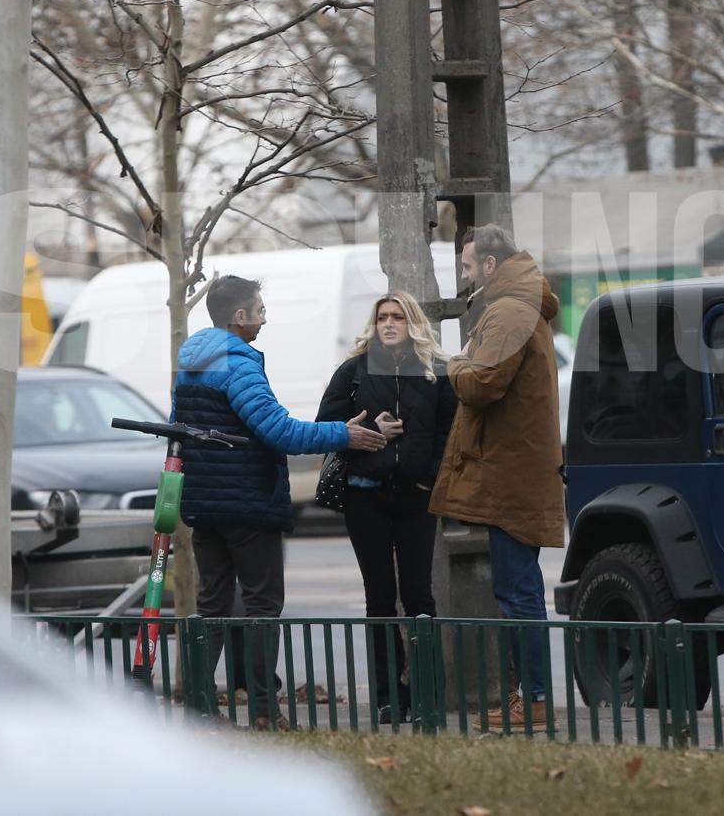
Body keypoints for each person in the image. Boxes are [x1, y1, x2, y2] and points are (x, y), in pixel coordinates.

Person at [174, 274, 387, 730]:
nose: (263, 320)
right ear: (239, 316)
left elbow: (179, 429)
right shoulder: (239, 363)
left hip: (204, 504)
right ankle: (266, 712)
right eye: (260, 311)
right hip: (248, 502)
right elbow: (279, 432)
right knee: (261, 605)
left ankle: (198, 709)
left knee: (211, 603)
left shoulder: (191, 364)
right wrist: (344, 435)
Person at [427, 225, 567, 730]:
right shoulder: (519, 303)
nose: (463, 278)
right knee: (518, 590)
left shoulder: (508, 309)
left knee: (518, 593)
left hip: (512, 472)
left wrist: (455, 363)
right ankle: (525, 696)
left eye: (466, 267)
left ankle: (532, 700)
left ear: (489, 265)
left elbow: (482, 383)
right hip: (517, 467)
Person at [316, 292, 457, 724]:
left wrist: (428, 472)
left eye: (398, 316)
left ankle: (426, 695)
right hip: (365, 492)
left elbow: (451, 432)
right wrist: (367, 427)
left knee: (418, 595)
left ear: (412, 322)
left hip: (415, 494)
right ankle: (387, 696)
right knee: (378, 597)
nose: (389, 324)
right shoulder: (355, 369)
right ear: (373, 324)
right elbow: (325, 423)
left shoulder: (435, 372)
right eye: (382, 317)